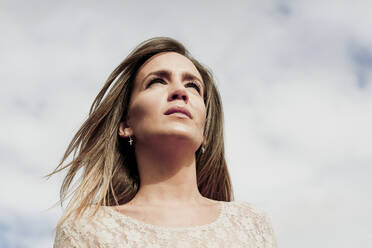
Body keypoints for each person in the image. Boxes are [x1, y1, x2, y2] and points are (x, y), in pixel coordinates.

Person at [48, 37, 277, 247]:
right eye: (157, 81)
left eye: (193, 86)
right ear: (125, 124)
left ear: (205, 129)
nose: (180, 91)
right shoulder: (86, 230)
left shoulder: (252, 224)